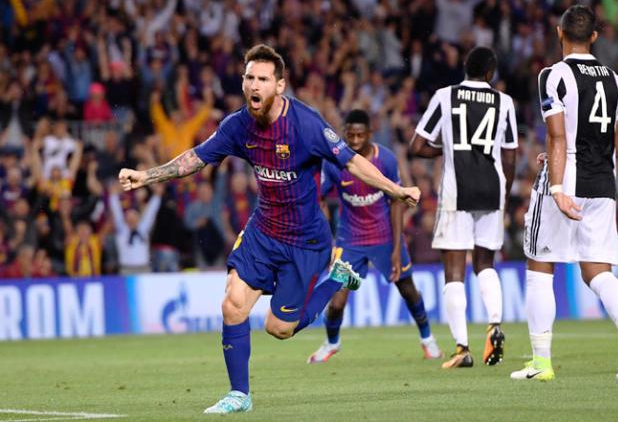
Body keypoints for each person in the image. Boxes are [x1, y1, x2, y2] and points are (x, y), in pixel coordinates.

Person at [118, 44, 420, 414]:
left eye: (262, 78)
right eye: (249, 77)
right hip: (264, 231)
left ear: (280, 85)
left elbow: (353, 162)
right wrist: (146, 175)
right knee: (232, 304)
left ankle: (339, 278)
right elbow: (195, 158)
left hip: (305, 241)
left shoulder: (306, 125)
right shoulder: (237, 125)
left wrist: (397, 189)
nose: (253, 85)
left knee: (278, 327)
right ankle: (239, 394)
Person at [510, 5, 618, 382]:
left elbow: (557, 135)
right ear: (594, 37)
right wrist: (591, 161)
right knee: (597, 271)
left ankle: (541, 363)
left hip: (566, 177)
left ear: (558, 33)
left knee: (540, 265)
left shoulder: (552, 75)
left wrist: (556, 185)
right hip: (603, 178)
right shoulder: (614, 79)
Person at [410, 46, 518, 368]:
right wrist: (505, 195)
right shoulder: (505, 102)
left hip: (458, 192)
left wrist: (448, 149)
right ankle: (495, 325)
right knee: (485, 264)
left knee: (454, 272)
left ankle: (462, 349)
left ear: (465, 70)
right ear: (490, 74)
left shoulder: (446, 96)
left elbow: (417, 145)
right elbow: (510, 155)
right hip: (492, 190)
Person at [307, 109, 443, 364]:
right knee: (336, 300)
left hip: (385, 239)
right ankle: (331, 343)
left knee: (408, 290)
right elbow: (319, 197)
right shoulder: (335, 162)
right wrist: (325, 234)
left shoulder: (386, 160)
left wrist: (395, 247)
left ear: (370, 133)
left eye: (360, 135)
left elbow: (397, 201)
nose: (355, 140)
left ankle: (428, 340)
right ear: (344, 133)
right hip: (350, 242)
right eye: (350, 135)